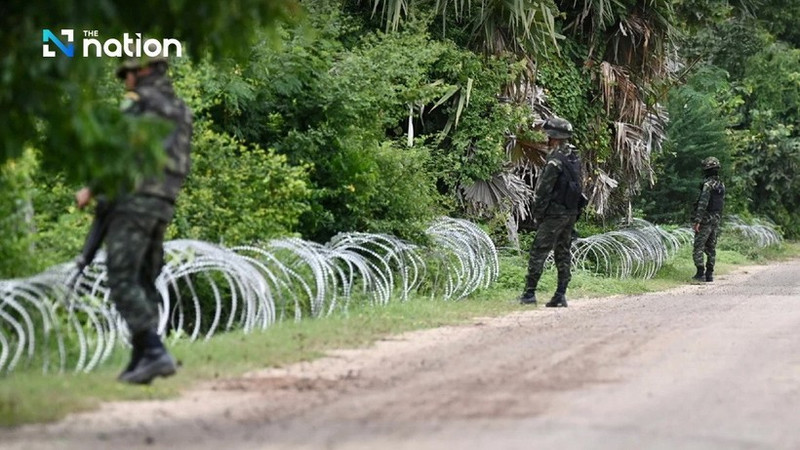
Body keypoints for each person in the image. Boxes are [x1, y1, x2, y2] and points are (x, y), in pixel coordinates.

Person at [75, 56, 193, 384]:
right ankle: (141, 359)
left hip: (134, 200)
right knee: (144, 278)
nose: (125, 80)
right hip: (164, 201)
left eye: (128, 73)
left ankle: (154, 351)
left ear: (142, 71)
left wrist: (91, 189)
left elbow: (119, 152)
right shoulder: (181, 108)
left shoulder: (138, 104)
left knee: (121, 278)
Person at [519, 117, 585, 307]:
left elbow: (544, 190)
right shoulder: (573, 156)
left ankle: (529, 294)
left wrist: (538, 213)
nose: (547, 140)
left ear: (554, 138)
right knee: (563, 252)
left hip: (554, 214)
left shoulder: (555, 160)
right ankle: (560, 294)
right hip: (571, 212)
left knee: (538, 251)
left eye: (549, 137)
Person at [691, 156, 725, 282]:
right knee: (711, 247)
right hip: (716, 218)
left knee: (699, 246)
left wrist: (697, 220)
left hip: (705, 219)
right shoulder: (721, 185)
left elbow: (702, 203)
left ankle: (700, 273)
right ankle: (709, 273)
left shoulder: (708, 185)